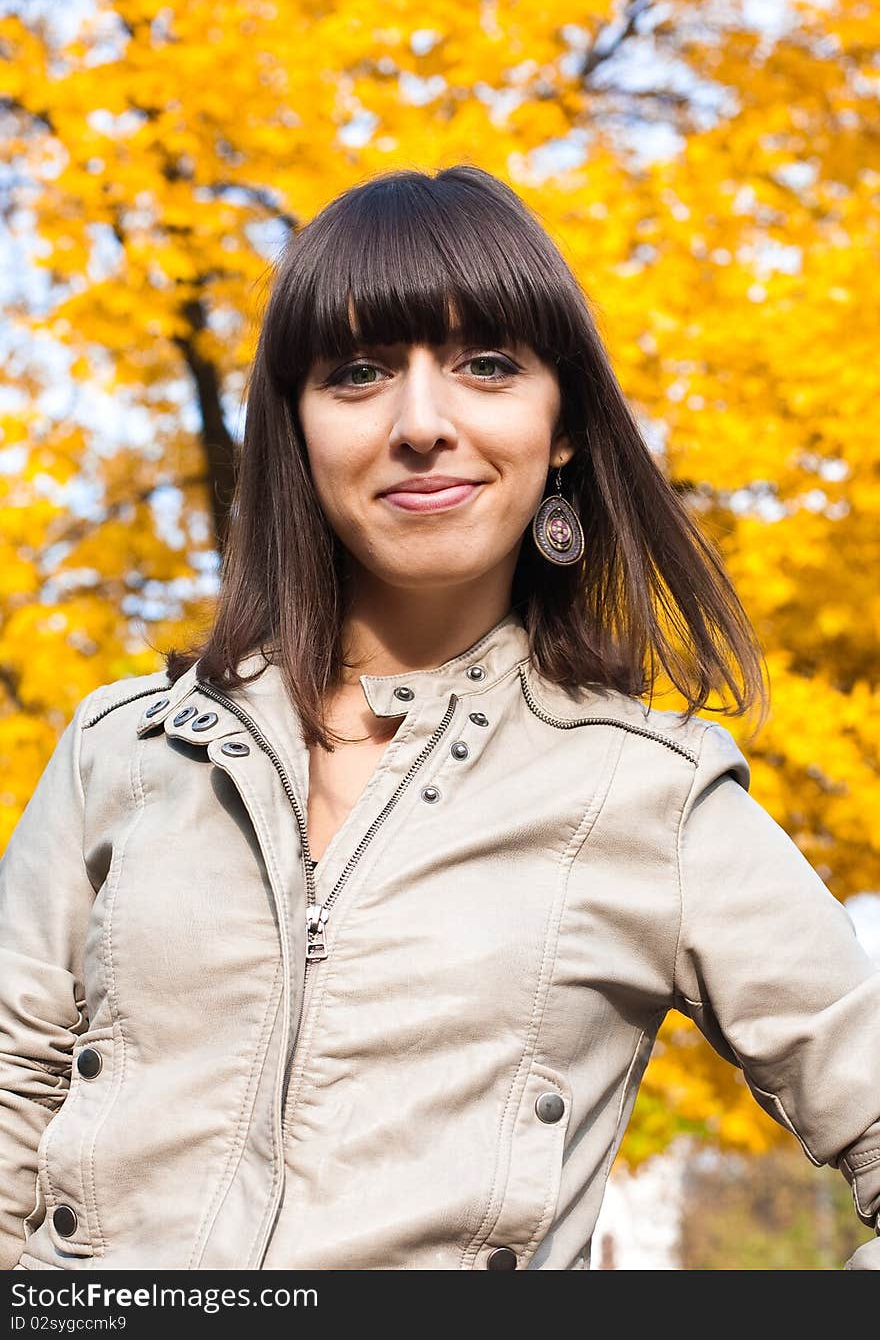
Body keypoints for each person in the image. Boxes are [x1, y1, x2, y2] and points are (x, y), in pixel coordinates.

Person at [1, 164, 878, 1273]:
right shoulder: (119, 752)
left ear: (561, 427)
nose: (422, 423)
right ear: (300, 430)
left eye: (487, 366)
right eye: (357, 372)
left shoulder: (647, 794)